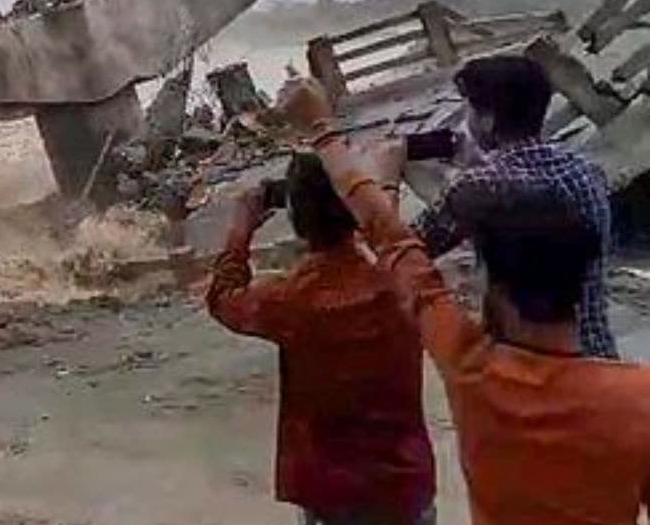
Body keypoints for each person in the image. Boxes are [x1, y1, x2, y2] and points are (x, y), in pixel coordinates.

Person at [279, 77, 650, 525]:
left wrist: (324, 130)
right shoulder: (639, 398)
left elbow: (393, 244)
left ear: (497, 285)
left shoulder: (471, 365)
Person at [206, 153, 436, 525]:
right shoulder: (402, 280)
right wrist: (381, 187)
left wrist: (241, 228)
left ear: (296, 220)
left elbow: (222, 298)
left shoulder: (289, 301)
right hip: (406, 485)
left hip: (333, 496)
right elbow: (389, 239)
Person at [413, 55, 617, 358]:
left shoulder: (478, 185)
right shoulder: (588, 171)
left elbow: (411, 248)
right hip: (598, 354)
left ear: (487, 119)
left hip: (532, 368)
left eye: (470, 108)